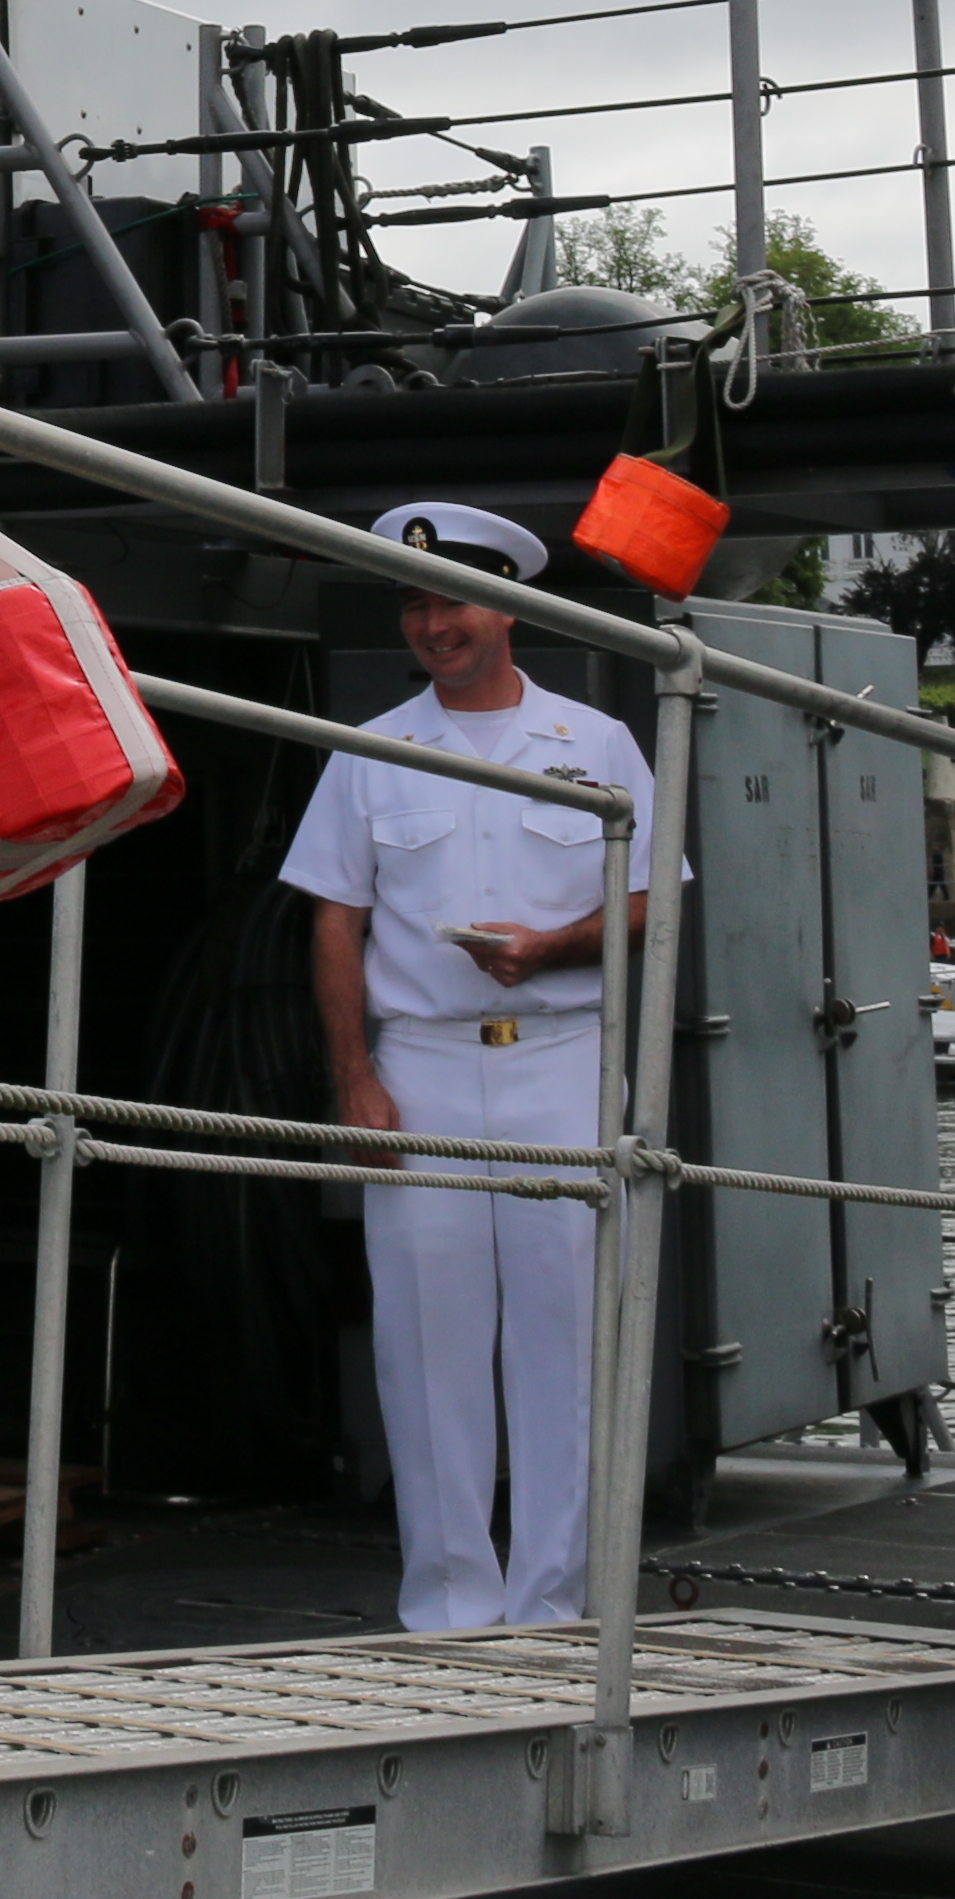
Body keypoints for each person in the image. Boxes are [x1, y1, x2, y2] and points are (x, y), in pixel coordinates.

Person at [286, 501, 668, 1632]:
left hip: (562, 1062)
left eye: (447, 600)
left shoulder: (596, 748)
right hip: (426, 1071)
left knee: (565, 1347)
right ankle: (450, 1606)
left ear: (504, 607)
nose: (429, 624)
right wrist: (354, 1078)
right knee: (424, 1349)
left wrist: (553, 947)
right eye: (411, 603)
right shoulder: (374, 750)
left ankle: (555, 1607)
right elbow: (332, 924)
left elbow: (650, 898)